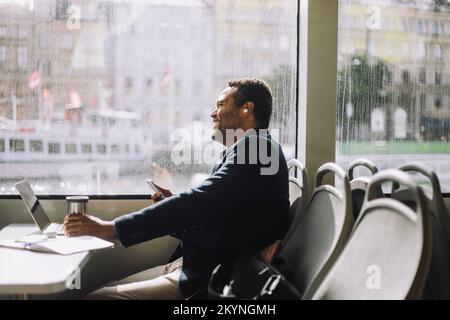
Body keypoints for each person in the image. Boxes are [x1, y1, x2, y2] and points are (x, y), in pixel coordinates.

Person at [64, 78, 290, 299]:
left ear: (246, 109)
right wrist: (173, 205)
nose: (213, 113)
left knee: (100, 297)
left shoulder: (259, 149)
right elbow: (214, 217)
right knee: (108, 287)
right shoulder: (245, 151)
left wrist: (110, 229)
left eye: (220, 105)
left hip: (212, 276)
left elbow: (198, 202)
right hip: (194, 265)